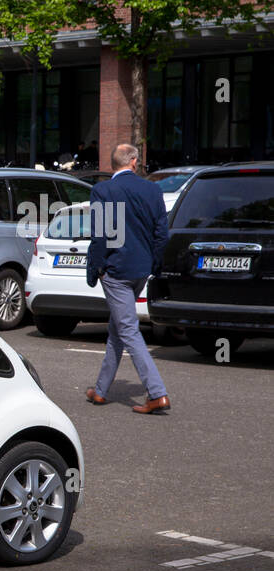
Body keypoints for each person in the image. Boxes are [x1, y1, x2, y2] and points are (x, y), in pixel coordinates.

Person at [85, 143, 170, 414]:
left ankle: (157, 393)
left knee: (127, 329)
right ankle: (100, 390)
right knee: (118, 328)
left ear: (114, 164)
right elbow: (161, 234)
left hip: (116, 271)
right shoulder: (152, 189)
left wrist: (95, 269)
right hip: (140, 270)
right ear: (133, 162)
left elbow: (100, 236)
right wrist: (154, 265)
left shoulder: (103, 190)